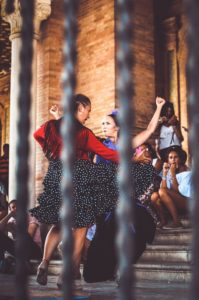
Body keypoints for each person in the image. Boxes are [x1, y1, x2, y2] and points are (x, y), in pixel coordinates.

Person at [30, 94, 165, 286]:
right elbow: (86, 147)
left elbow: (150, 130)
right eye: (99, 120)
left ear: (117, 127)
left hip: (86, 187)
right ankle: (71, 271)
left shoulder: (121, 142)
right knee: (79, 227)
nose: (100, 124)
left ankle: (51, 265)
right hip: (93, 191)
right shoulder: (92, 139)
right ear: (81, 108)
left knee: (63, 223)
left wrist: (158, 107)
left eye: (106, 123)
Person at [151, 146, 190, 228]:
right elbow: (163, 190)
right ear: (168, 160)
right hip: (174, 203)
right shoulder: (169, 173)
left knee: (162, 191)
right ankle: (163, 221)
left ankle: (177, 222)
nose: (173, 160)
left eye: (176, 157)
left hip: (187, 203)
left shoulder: (187, 172)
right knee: (154, 196)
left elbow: (178, 191)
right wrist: (165, 174)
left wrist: (172, 174)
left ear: (180, 159)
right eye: (170, 157)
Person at [0, 200, 42, 272]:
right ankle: (3, 262)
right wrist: (10, 215)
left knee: (24, 236)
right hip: (19, 249)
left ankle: (21, 263)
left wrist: (15, 229)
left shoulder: (31, 216)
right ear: (10, 210)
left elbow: (29, 236)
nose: (16, 209)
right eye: (13, 207)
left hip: (34, 249)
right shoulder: (12, 221)